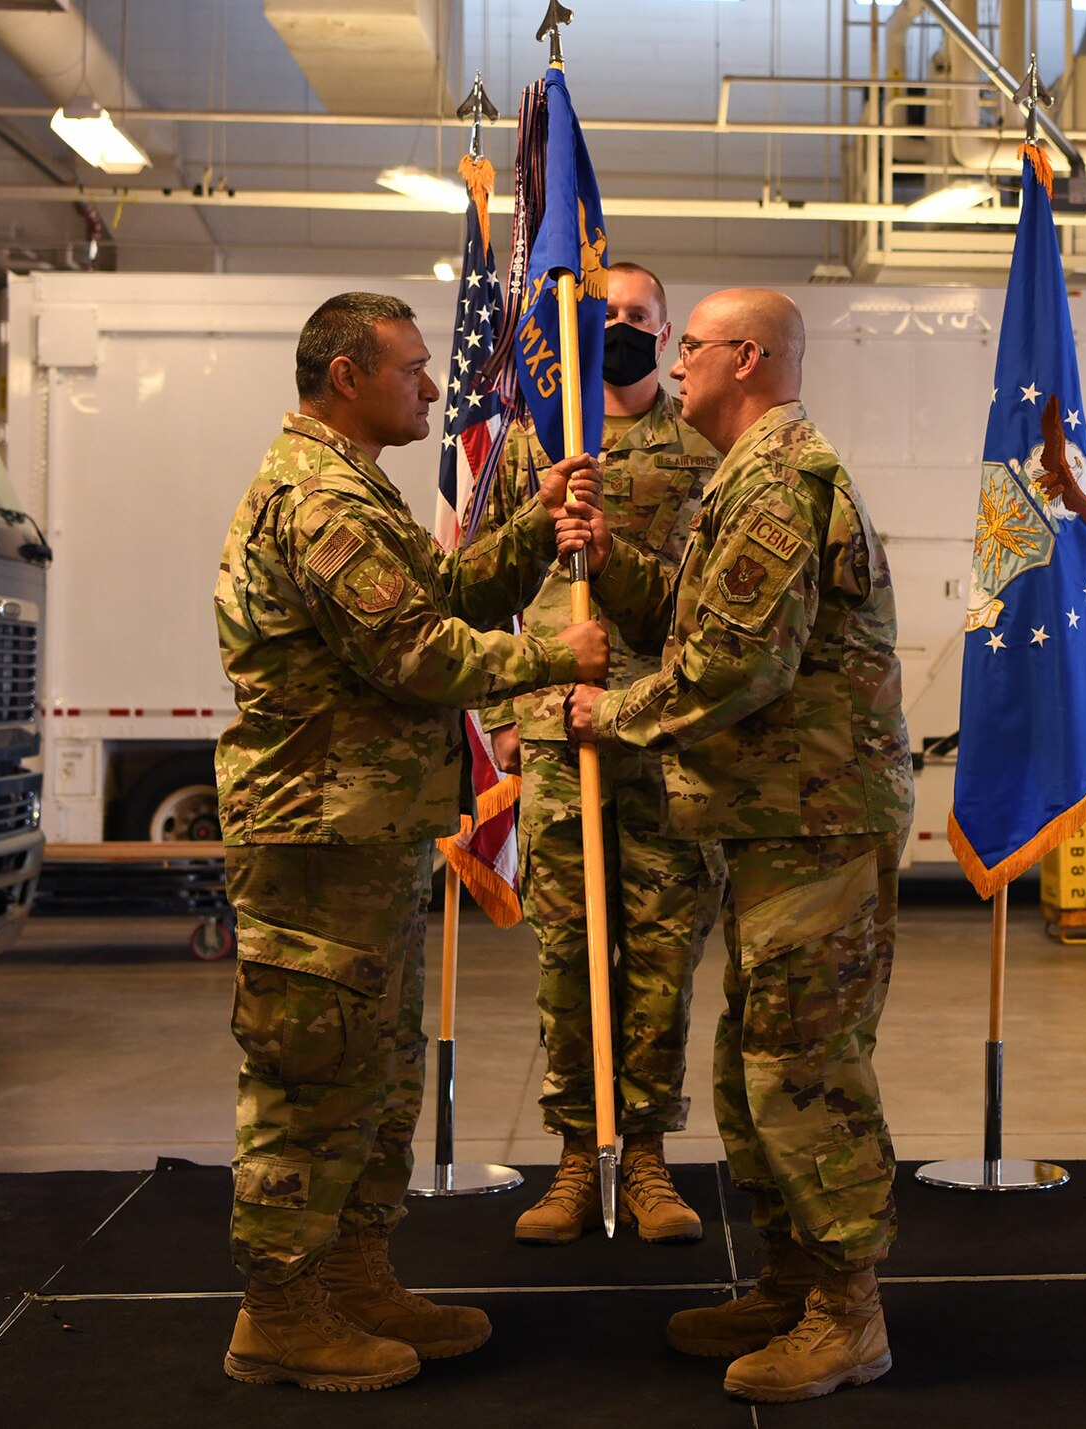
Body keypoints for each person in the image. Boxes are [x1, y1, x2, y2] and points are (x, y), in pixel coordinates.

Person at [212, 291, 607, 1392]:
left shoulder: (355, 486)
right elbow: (419, 654)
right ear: (346, 376)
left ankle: (352, 1275)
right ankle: (278, 1310)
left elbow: (447, 591)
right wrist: (553, 658)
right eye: (412, 369)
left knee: (376, 1072)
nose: (434, 388)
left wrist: (534, 525)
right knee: (310, 1078)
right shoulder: (318, 500)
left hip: (362, 830)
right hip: (315, 836)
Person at [564, 288, 914, 1403]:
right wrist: (610, 558)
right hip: (779, 823)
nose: (675, 365)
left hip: (817, 822)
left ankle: (848, 1312)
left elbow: (737, 666)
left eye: (694, 348)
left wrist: (611, 714)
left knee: (805, 1068)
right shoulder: (745, 476)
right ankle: (791, 1279)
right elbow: (697, 618)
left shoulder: (780, 481)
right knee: (752, 1065)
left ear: (747, 357)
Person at [479, 262, 726, 1246]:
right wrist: (502, 705)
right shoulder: (537, 441)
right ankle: (580, 1154)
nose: (617, 325)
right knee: (568, 955)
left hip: (664, 733)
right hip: (557, 733)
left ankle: (649, 1156)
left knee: (662, 956)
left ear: (665, 334)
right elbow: (483, 575)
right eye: (602, 310)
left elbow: (712, 601)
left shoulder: (704, 448)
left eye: (636, 315)